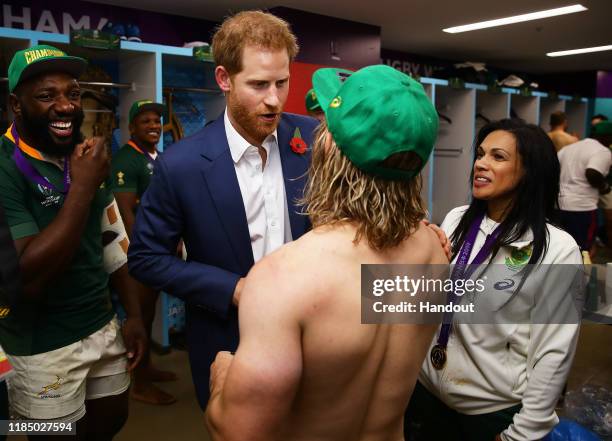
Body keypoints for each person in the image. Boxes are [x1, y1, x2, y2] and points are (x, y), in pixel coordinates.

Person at [205, 64, 447, 441]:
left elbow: (238, 433)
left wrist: (222, 376)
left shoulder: (283, 278)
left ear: (329, 146)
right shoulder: (434, 250)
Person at [127, 11, 319, 409]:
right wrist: (233, 289)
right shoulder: (179, 165)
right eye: (258, 84)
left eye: (282, 83)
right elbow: (146, 260)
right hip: (228, 342)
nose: (273, 99)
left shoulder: (316, 140)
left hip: (316, 340)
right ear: (223, 79)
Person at [0, 45, 146, 440]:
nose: (65, 106)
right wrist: (82, 186)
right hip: (43, 345)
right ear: (17, 104)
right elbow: (27, 273)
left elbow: (113, 239)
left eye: (73, 93)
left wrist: (133, 315)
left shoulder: (81, 155)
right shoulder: (6, 168)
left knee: (111, 419)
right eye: (47, 96)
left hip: (100, 325)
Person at [405, 118, 583, 441]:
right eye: (481, 154)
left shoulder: (558, 249)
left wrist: (521, 433)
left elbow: (553, 354)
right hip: (427, 398)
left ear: (530, 171)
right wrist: (422, 253)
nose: (480, 164)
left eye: (498, 157)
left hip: (491, 416)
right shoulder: (457, 218)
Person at [110, 99, 177, 406]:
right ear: (132, 127)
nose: (153, 126)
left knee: (148, 313)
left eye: (155, 121)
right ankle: (137, 383)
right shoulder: (127, 159)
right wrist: (144, 253)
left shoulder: (156, 156)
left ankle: (146, 368)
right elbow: (125, 211)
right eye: (145, 121)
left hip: (159, 248)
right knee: (138, 314)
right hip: (141, 252)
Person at [557, 125, 612, 251]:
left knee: (559, 250)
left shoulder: (567, 148)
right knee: (583, 251)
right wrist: (604, 187)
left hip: (558, 206)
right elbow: (592, 173)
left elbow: (551, 171)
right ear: (607, 136)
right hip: (582, 209)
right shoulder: (602, 151)